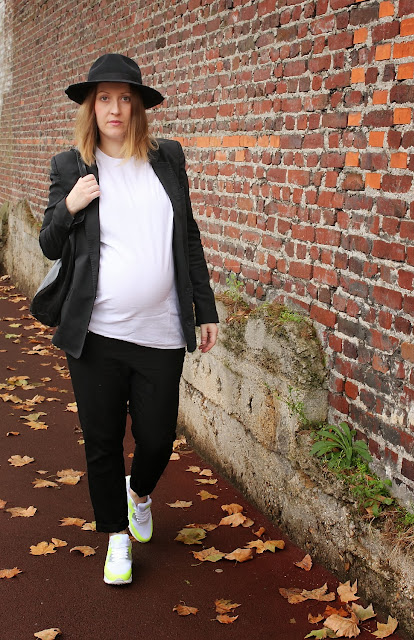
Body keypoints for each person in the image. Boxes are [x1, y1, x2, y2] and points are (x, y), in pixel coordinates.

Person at [39, 53, 219, 585]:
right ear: (91, 108)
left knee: (158, 438)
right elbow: (49, 242)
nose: (115, 109)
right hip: (96, 333)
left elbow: (188, 237)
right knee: (101, 441)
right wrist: (69, 207)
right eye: (104, 99)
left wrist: (205, 307)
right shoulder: (71, 167)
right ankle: (117, 536)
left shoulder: (168, 159)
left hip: (161, 331)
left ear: (138, 106)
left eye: (125, 98)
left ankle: (138, 493)